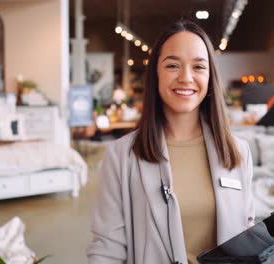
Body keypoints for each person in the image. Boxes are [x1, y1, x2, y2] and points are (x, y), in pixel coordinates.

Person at [87, 19, 254, 264]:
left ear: (210, 77)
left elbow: (246, 234)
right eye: (173, 65)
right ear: (155, 74)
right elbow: (107, 250)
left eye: (198, 67)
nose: (186, 78)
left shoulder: (238, 152)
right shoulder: (121, 156)